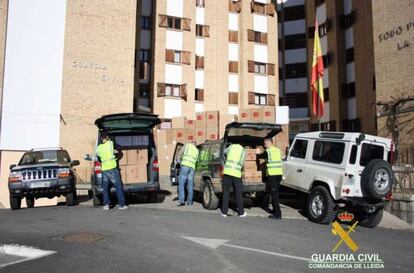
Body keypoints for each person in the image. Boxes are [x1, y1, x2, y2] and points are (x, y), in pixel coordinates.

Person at [96, 132, 128, 210]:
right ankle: (121, 205)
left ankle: (106, 205)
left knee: (105, 188)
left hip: (104, 169)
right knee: (118, 186)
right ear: (107, 137)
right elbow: (117, 148)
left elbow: (99, 158)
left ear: (101, 138)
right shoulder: (110, 143)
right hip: (112, 168)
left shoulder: (98, 148)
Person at [258, 138, 283, 219]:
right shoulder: (278, 150)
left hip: (273, 175)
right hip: (279, 174)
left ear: (270, 142)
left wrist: (256, 152)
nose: (264, 145)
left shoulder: (268, 151)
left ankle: (278, 214)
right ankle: (275, 211)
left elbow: (260, 156)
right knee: (274, 193)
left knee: (274, 195)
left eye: (265, 143)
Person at [221, 143, 246, 217]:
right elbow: (242, 162)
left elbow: (223, 153)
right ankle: (241, 213)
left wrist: (226, 161)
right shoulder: (243, 150)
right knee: (238, 193)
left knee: (226, 193)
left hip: (227, 172)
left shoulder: (230, 147)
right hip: (236, 173)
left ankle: (224, 212)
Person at [178, 141, 199, 206]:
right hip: (192, 167)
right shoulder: (197, 150)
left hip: (185, 165)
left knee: (181, 183)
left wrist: (179, 161)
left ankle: (182, 201)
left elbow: (180, 153)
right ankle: (189, 202)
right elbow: (197, 160)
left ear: (191, 143)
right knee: (190, 185)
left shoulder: (187, 145)